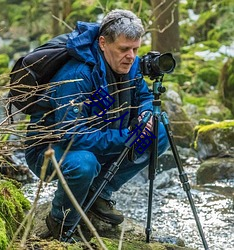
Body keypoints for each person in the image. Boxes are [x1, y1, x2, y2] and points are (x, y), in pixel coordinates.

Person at [25, 9, 169, 241]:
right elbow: (72, 136)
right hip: (51, 150)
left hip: (102, 135)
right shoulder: (76, 75)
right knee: (84, 164)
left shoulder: (129, 65)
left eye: (136, 49)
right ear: (103, 43)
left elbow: (143, 96)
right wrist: (128, 136)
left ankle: (99, 193)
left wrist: (146, 115)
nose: (131, 56)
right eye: (124, 49)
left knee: (159, 132)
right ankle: (60, 221)